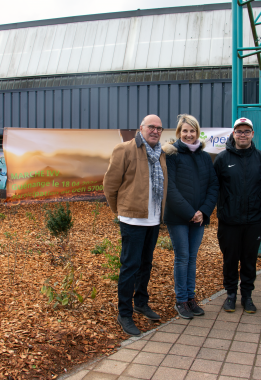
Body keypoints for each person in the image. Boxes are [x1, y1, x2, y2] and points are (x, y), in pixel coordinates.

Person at [103, 114, 168, 336]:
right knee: (130, 266)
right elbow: (110, 185)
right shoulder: (125, 149)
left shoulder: (161, 153)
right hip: (133, 219)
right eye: (151, 127)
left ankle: (140, 302)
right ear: (141, 128)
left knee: (146, 264)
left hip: (153, 218)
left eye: (159, 128)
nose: (155, 131)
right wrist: (121, 211)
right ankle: (124, 313)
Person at [213, 117, 261, 314]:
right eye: (239, 131)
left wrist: (252, 204)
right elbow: (215, 188)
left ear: (252, 134)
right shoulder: (222, 159)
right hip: (229, 221)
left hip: (253, 221)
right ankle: (230, 294)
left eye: (247, 131)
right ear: (233, 134)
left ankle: (247, 296)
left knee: (249, 260)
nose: (243, 135)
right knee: (230, 259)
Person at [162, 114, 219, 319]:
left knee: (192, 258)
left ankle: (190, 298)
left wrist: (203, 212)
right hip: (178, 217)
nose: (188, 134)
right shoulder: (171, 155)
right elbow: (171, 189)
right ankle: (181, 301)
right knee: (182, 257)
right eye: (184, 131)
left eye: (192, 131)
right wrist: (190, 213)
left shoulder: (204, 156)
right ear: (179, 132)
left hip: (199, 217)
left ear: (197, 132)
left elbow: (213, 185)